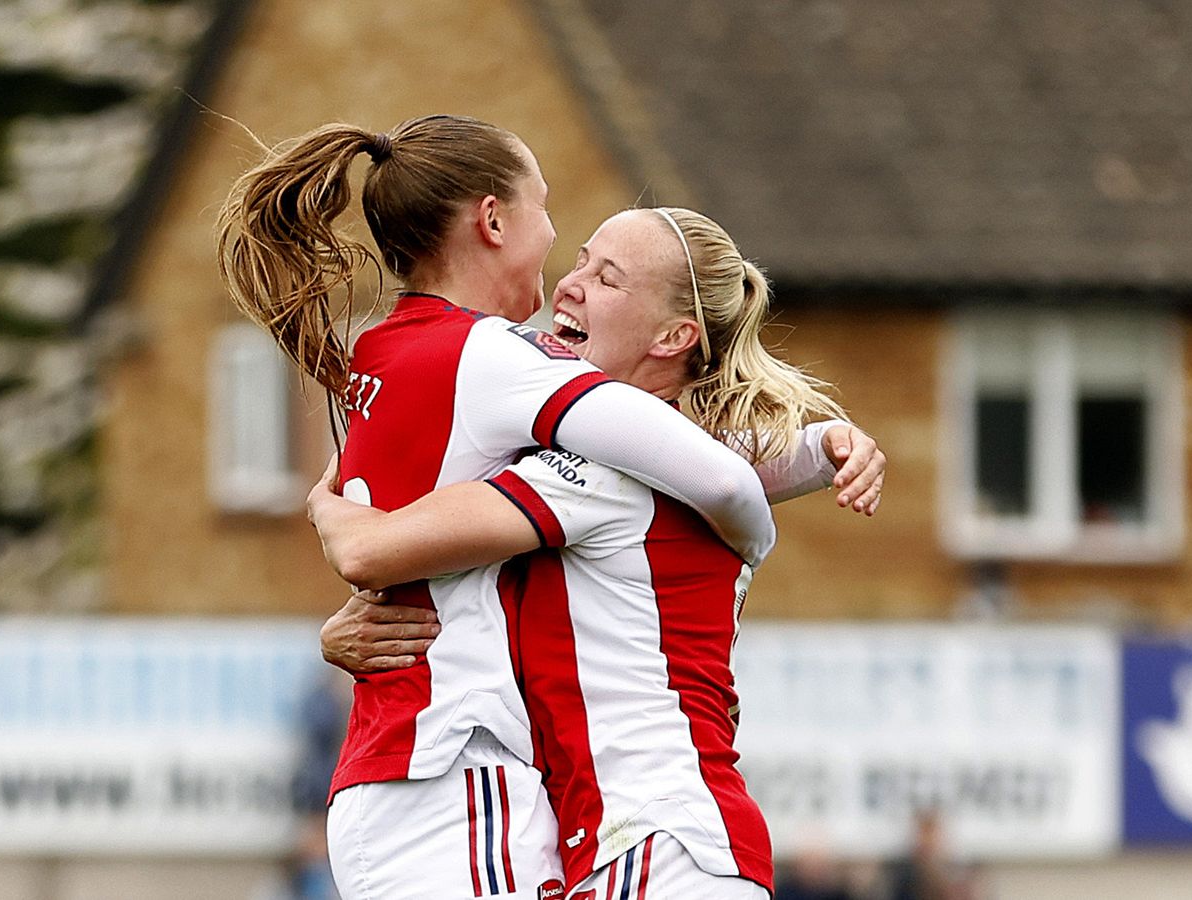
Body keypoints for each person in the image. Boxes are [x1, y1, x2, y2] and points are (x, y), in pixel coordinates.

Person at [216, 116, 878, 899]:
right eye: (569, 241)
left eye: (606, 278)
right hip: (497, 792)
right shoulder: (530, 402)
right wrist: (815, 449)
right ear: (492, 221)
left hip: (636, 836)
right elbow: (714, 468)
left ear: (675, 334)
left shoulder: (422, 370)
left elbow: (378, 544)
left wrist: (333, 522)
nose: (569, 276)